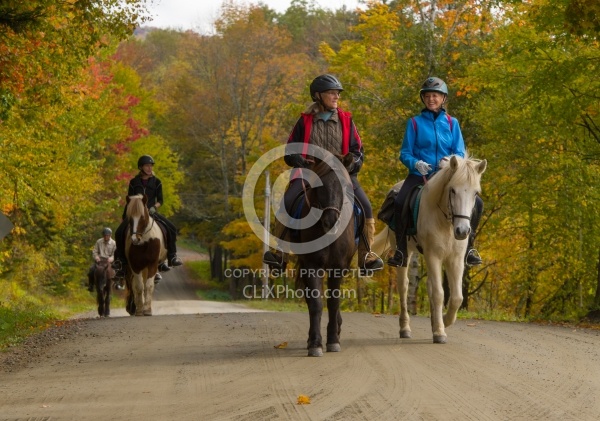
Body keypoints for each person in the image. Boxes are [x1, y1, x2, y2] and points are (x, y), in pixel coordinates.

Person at [263, 74, 384, 275]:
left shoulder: (347, 120)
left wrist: (354, 162)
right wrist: (296, 159)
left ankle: (366, 256)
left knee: (366, 206)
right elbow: (290, 148)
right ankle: (279, 254)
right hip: (310, 172)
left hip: (341, 173)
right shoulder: (304, 120)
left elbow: (358, 149)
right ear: (318, 96)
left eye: (337, 93)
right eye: (331, 93)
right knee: (288, 200)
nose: (336, 96)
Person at [387, 77, 483, 268]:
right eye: (428, 96)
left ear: (443, 99)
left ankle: (469, 247)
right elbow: (405, 153)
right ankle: (400, 250)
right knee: (399, 201)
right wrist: (416, 164)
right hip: (420, 174)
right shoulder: (414, 123)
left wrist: (450, 162)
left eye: (435, 96)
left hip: (448, 176)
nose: (431, 99)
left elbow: (460, 151)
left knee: (477, 203)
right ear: (423, 99)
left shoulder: (452, 123)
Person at [113, 155, 183, 282]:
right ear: (141, 167)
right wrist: (125, 217)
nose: (150, 168)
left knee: (171, 228)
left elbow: (160, 200)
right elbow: (129, 200)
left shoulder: (157, 182)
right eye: (147, 166)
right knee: (119, 232)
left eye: (151, 166)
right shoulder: (134, 182)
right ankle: (121, 262)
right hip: (136, 213)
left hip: (151, 212)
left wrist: (154, 207)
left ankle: (172, 256)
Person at [87, 227, 116, 291]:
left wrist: (111, 259)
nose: (106, 237)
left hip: (109, 261)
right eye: (104, 235)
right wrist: (96, 257)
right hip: (99, 261)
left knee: (117, 271)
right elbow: (95, 251)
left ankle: (117, 284)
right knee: (91, 269)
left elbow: (115, 254)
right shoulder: (99, 241)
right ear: (103, 235)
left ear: (110, 235)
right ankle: (91, 285)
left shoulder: (114, 243)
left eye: (107, 235)